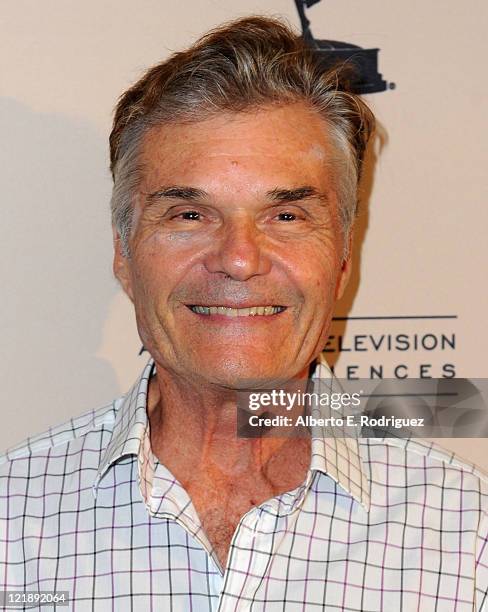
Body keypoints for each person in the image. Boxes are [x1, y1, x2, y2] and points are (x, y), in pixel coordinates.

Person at [1, 15, 487, 611]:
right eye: (188, 215)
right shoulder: (11, 518)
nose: (237, 259)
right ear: (124, 254)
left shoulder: (468, 535)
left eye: (285, 216)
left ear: (341, 259)